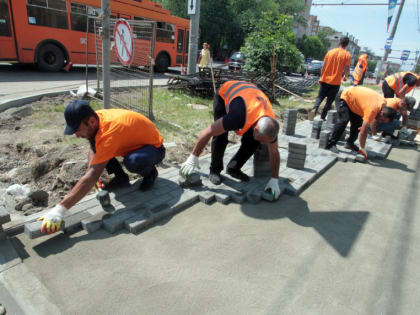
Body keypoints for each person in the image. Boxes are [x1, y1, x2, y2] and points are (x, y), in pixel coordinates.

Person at [39, 100, 165, 234]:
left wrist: (60, 210)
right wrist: (91, 170)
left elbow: (92, 175)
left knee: (132, 162)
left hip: (154, 149)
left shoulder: (109, 132)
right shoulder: (95, 120)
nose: (76, 135)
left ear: (91, 121)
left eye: (78, 130)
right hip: (131, 143)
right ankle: (121, 177)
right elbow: (94, 148)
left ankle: (151, 173)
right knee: (100, 150)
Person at [180, 80, 281, 199]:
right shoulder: (237, 117)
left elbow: (274, 153)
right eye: (263, 139)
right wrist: (193, 157)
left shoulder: (270, 126)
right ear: (256, 129)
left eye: (266, 140)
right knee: (220, 136)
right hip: (225, 95)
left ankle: (233, 168)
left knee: (253, 142)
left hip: (250, 98)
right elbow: (209, 131)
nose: (263, 143)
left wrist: (275, 179)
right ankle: (215, 170)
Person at [326, 86, 397, 159]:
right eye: (382, 120)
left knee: (357, 123)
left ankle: (349, 143)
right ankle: (331, 144)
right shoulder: (373, 110)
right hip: (344, 96)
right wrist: (362, 148)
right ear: (382, 113)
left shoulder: (383, 104)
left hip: (355, 102)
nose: (380, 121)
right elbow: (363, 132)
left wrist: (364, 127)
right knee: (344, 120)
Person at [309, 36, 351, 121]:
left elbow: (323, 66)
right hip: (335, 82)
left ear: (339, 42)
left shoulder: (330, 52)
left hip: (324, 79)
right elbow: (346, 69)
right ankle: (322, 117)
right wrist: (345, 77)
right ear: (347, 44)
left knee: (320, 97)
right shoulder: (347, 55)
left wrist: (321, 76)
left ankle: (314, 109)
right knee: (329, 101)